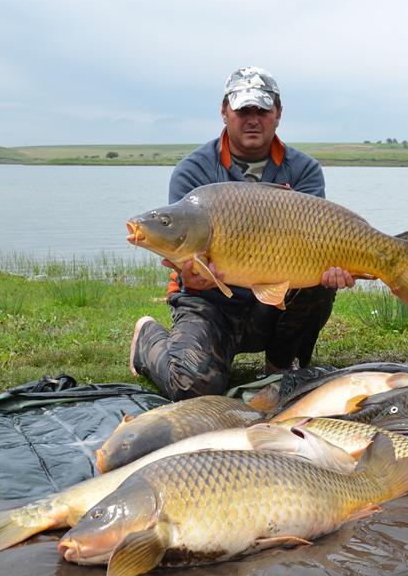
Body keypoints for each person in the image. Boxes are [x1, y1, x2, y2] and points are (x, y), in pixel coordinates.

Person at [129, 66, 353, 400]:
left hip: (276, 301)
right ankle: (147, 338)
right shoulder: (194, 171)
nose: (253, 119)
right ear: (224, 112)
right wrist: (192, 276)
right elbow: (183, 244)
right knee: (193, 388)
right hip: (210, 301)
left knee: (316, 275)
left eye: (262, 110)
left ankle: (279, 365)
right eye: (243, 110)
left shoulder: (304, 170)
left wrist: (338, 265)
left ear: (277, 114)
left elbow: (315, 242)